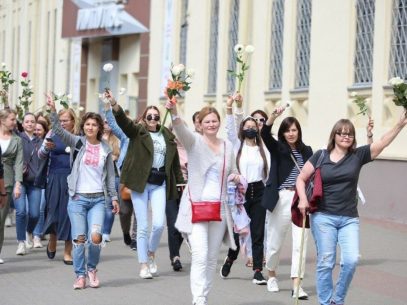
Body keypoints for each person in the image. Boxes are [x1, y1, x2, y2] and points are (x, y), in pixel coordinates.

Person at [296, 110, 407, 305]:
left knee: (351, 260)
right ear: (334, 135)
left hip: (349, 218)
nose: (346, 136)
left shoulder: (358, 155)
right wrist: (303, 199)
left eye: (350, 134)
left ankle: (337, 300)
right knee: (326, 262)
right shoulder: (321, 156)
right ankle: (325, 302)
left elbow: (383, 142)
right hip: (323, 217)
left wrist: (400, 124)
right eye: (342, 133)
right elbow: (301, 177)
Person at [167, 100, 240, 305]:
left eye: (214, 121)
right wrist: (173, 111)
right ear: (200, 124)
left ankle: (204, 295)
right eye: (207, 121)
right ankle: (198, 299)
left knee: (211, 258)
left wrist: (236, 177)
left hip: (220, 208)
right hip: (197, 207)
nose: (211, 124)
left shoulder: (227, 146)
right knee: (200, 254)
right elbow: (181, 130)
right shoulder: (194, 142)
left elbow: (233, 170)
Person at [106, 91, 184, 279]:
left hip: (159, 183)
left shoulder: (166, 134)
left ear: (159, 118)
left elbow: (173, 161)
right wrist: (114, 104)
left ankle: (150, 253)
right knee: (142, 226)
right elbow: (124, 122)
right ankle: (143, 264)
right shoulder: (138, 132)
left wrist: (180, 181)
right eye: (149, 116)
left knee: (158, 225)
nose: (152, 119)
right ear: (144, 118)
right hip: (141, 182)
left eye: (156, 116)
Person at [46, 95, 119, 289]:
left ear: (98, 128)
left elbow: (110, 176)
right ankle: (80, 275)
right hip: (77, 199)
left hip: (97, 200)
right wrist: (52, 110)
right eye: (87, 124)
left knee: (95, 238)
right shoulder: (77, 142)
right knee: (79, 240)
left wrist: (114, 197)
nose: (90, 128)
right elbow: (59, 131)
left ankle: (92, 269)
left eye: (94, 125)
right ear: (83, 126)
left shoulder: (105, 147)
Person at [260, 107, 313, 299]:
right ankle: (271, 274)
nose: (291, 133)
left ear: (299, 132)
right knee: (275, 240)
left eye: (294, 130)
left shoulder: (307, 151)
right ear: (283, 133)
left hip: (301, 200)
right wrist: (273, 116)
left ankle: (296, 285)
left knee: (301, 242)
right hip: (281, 198)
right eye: (287, 130)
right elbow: (265, 133)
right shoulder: (278, 148)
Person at [221, 94, 270, 285]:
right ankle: (231, 258)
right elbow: (231, 127)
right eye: (247, 127)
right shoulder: (237, 144)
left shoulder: (263, 148)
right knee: (239, 232)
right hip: (240, 193)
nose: (250, 129)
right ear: (243, 129)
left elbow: (269, 172)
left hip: (259, 191)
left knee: (258, 232)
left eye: (253, 126)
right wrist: (231, 106)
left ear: (258, 129)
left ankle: (258, 271)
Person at [38, 108, 79, 264]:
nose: (62, 123)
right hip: (54, 178)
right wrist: (45, 148)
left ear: (73, 121)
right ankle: (52, 239)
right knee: (53, 213)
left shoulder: (77, 137)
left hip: (71, 179)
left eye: (65, 120)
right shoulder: (51, 134)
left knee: (69, 215)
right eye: (60, 120)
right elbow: (40, 155)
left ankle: (68, 252)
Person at [104, 103, 137, 249]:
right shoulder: (125, 136)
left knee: (139, 210)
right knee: (124, 211)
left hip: (140, 177)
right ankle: (125, 232)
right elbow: (112, 122)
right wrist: (107, 106)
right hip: (124, 175)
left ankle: (136, 237)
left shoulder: (146, 138)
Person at [14, 113, 48, 255]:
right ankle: (21, 242)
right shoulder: (17, 138)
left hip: (35, 182)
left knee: (34, 214)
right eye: (26, 121)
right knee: (21, 211)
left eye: (32, 122)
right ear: (22, 124)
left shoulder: (41, 142)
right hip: (19, 181)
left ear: (35, 124)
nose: (29, 124)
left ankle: (29, 232)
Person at [0, 109, 23, 263]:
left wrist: (17, 184)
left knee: (0, 220)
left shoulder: (17, 140)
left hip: (6, 183)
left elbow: (19, 163)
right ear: (2, 120)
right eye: (12, 119)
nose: (15, 122)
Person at [101, 120, 120, 242]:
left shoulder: (116, 139)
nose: (107, 125)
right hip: (99, 175)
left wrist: (108, 158)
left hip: (112, 174)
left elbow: (116, 155)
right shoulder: (97, 137)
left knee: (109, 205)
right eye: (105, 122)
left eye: (109, 123)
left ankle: (106, 232)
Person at [32, 119, 49, 247]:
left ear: (44, 131)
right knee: (29, 211)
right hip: (29, 179)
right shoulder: (27, 142)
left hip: (43, 179)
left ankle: (37, 235)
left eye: (39, 129)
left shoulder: (48, 144)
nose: (37, 132)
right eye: (35, 129)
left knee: (41, 207)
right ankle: (29, 231)